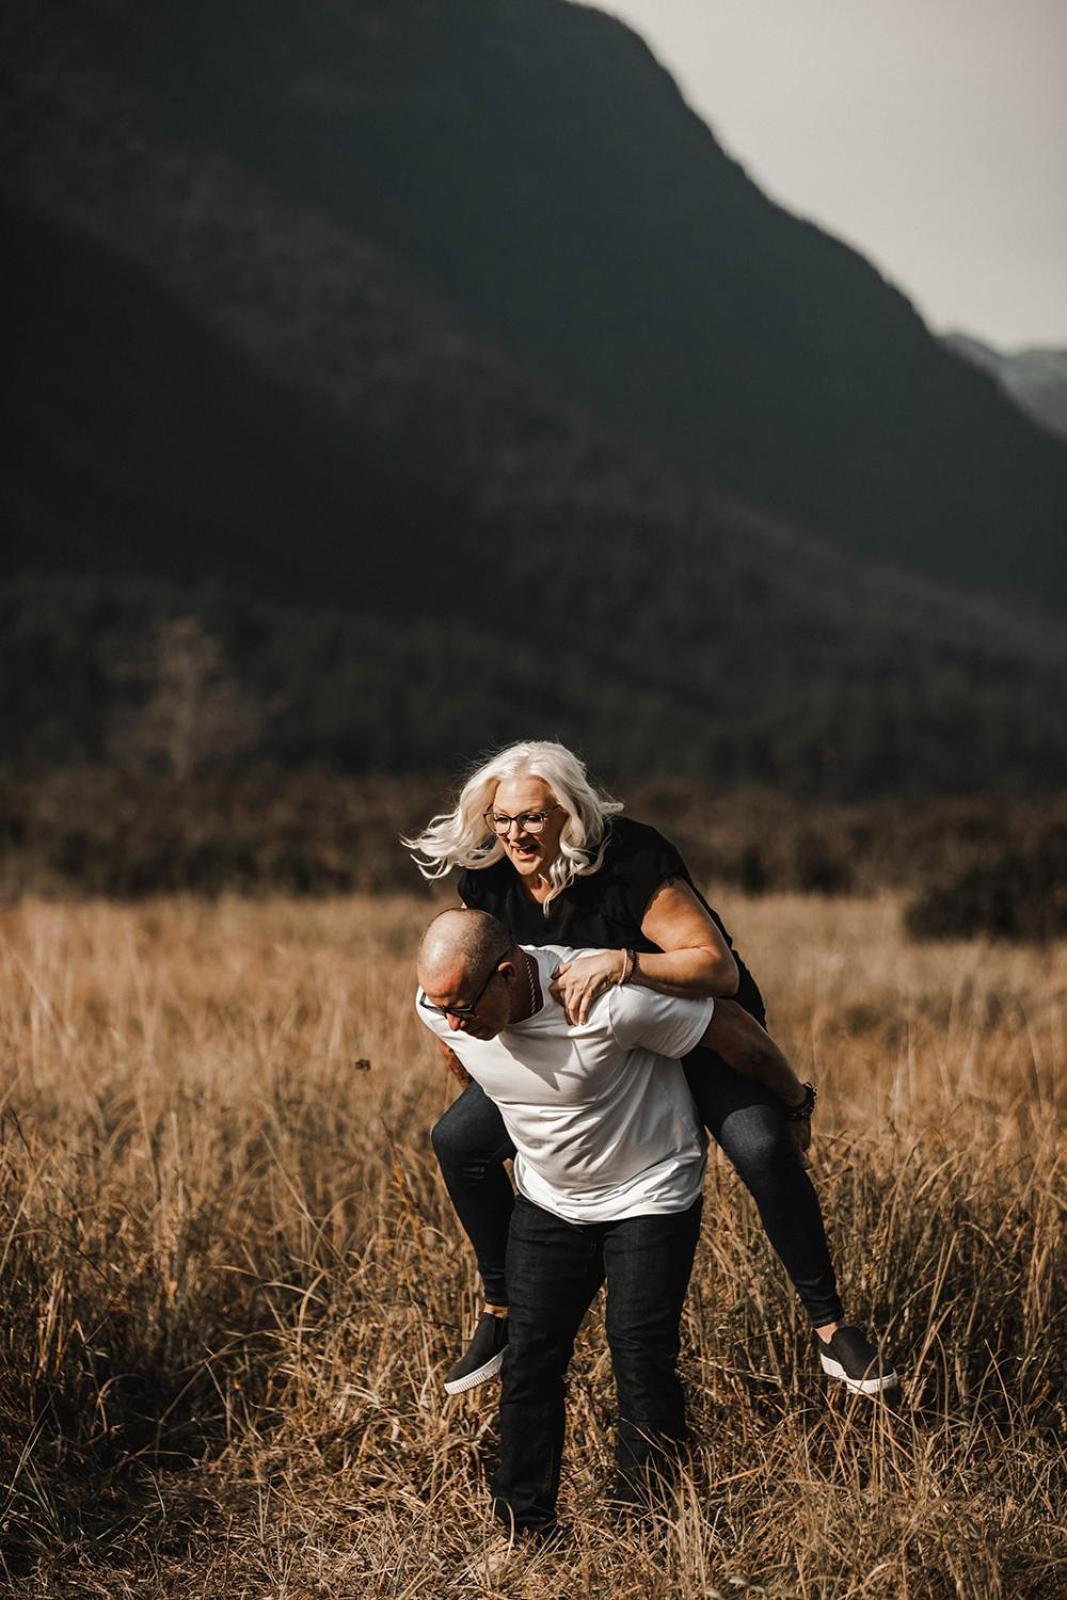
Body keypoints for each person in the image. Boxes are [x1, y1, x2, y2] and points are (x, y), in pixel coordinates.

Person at [405, 740, 895, 1400]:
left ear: (568, 810)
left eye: (531, 817)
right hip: (591, 1055)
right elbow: (477, 979)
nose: (515, 833)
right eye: (501, 818)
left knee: (759, 1146)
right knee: (456, 1142)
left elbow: (713, 969)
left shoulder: (629, 857)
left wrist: (624, 962)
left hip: (699, 1031)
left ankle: (831, 1325)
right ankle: (500, 1308)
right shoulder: (488, 880)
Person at [415, 907, 824, 1534]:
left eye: (461, 1010)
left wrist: (796, 1104)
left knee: (641, 1357)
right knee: (530, 1360)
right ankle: (525, 1530)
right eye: (437, 1007)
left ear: (505, 974)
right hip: (550, 1199)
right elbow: (469, 1055)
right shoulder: (442, 1006)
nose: (449, 1024)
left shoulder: (611, 1004)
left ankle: (642, 1530)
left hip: (650, 1194)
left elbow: (732, 1028)